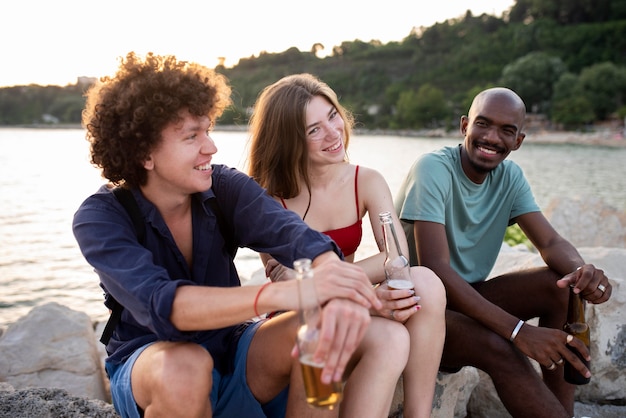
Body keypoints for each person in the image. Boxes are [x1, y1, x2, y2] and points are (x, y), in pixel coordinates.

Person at [73, 52, 411, 418]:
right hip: (154, 364)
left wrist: (334, 277)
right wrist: (290, 292)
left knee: (323, 322)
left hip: (234, 349)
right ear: (144, 153)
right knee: (185, 367)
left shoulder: (224, 186)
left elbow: (292, 234)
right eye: (191, 137)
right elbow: (166, 305)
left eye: (208, 130)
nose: (210, 147)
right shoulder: (101, 218)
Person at [395, 87, 613, 418]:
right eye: (483, 124)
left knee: (561, 286)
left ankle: (561, 411)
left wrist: (584, 272)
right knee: (501, 347)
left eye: (506, 130)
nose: (492, 137)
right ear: (464, 126)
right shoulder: (432, 169)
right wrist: (517, 331)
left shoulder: (510, 177)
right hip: (419, 313)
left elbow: (551, 243)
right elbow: (436, 269)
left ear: (519, 141)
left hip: (465, 303)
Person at [247, 73, 447, 418]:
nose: (333, 132)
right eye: (313, 130)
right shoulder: (266, 198)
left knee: (426, 282)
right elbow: (289, 283)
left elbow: (398, 254)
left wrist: (350, 286)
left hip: (344, 298)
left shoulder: (365, 181)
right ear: (288, 140)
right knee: (389, 333)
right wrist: (366, 296)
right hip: (300, 316)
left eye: (333, 116)